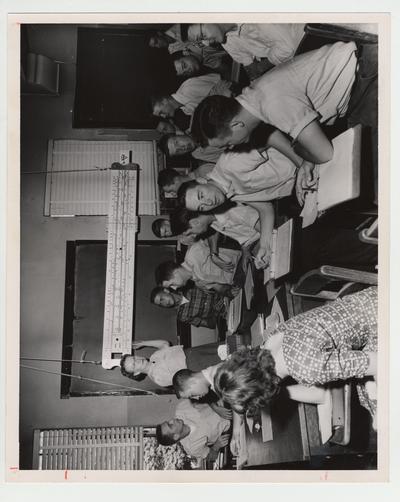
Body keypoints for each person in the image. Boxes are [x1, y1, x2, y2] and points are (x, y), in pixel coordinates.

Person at [190, 41, 376, 168]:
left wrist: (298, 149)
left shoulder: (272, 104)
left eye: (227, 144)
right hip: (357, 84)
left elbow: (324, 154)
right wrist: (306, 162)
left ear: (236, 125)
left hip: (368, 78)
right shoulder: (255, 96)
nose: (231, 148)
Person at [213, 287, 378, 421]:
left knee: (377, 413)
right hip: (366, 299)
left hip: (382, 320)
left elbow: (381, 362)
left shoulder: (305, 369)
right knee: (365, 395)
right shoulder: (272, 339)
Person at [184, 23, 305, 74]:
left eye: (202, 36)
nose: (206, 44)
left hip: (310, 41)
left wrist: (263, 66)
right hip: (293, 58)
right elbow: (248, 65)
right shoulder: (227, 39)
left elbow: (288, 48)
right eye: (200, 42)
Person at [120, 339, 222, 388]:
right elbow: (187, 381)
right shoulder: (158, 378)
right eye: (134, 365)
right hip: (196, 366)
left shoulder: (153, 357)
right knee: (228, 360)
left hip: (194, 352)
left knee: (226, 346)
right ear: (136, 373)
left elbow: (164, 344)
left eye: (134, 358)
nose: (137, 360)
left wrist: (143, 343)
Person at [156, 399, 231, 462]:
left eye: (168, 422)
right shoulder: (192, 448)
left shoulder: (181, 408)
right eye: (170, 425)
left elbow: (203, 393)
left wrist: (215, 407)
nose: (172, 420)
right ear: (176, 436)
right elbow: (211, 457)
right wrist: (216, 446)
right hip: (231, 425)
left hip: (226, 400)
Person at [155, 239, 241, 293]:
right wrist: (230, 290)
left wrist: (214, 255)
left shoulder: (193, 253)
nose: (175, 288)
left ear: (175, 272)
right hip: (240, 279)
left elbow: (214, 234)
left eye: (171, 284)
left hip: (242, 260)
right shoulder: (198, 283)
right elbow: (220, 287)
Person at [151, 73, 233, 120]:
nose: (164, 116)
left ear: (164, 100)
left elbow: (220, 90)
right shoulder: (185, 110)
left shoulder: (188, 88)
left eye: (161, 112)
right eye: (161, 116)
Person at [150, 285, 227, 329]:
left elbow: (212, 286)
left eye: (162, 299)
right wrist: (216, 311)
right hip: (227, 315)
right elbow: (211, 324)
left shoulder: (187, 286)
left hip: (227, 294)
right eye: (161, 304)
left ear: (166, 291)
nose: (164, 303)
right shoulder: (182, 316)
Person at [158, 132, 224, 164]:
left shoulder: (200, 125)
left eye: (177, 143)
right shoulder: (196, 154)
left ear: (179, 133)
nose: (182, 148)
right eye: (178, 151)